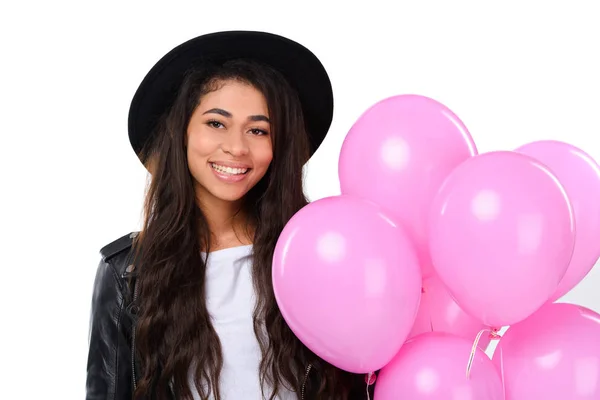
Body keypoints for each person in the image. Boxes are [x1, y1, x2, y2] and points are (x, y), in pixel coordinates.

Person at [85, 31, 376, 400]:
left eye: (258, 130)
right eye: (216, 123)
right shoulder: (127, 273)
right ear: (182, 132)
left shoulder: (320, 252)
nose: (236, 148)